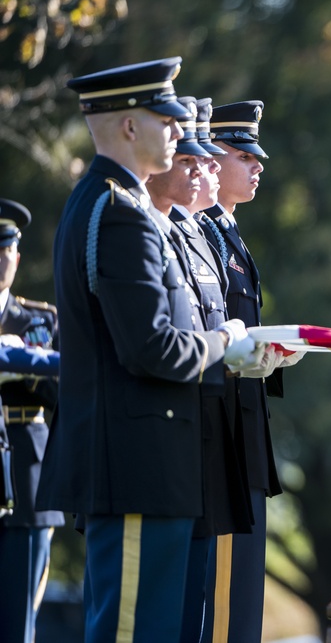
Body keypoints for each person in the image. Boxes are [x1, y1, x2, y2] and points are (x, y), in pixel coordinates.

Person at [35, 58, 262, 643]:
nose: (178, 133)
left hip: (145, 463)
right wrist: (226, 343)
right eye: (166, 121)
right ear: (130, 128)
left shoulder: (118, 205)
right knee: (133, 632)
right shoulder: (119, 213)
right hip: (133, 462)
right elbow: (154, 348)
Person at [146, 96, 262, 641]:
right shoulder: (170, 228)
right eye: (206, 159)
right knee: (182, 615)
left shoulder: (204, 231)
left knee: (216, 614)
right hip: (184, 435)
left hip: (223, 427)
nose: (208, 171)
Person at [200, 99, 289, 643]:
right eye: (242, 155)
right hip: (223, 434)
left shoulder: (227, 232)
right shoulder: (204, 232)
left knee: (242, 609)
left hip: (245, 428)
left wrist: (273, 355)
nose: (257, 166)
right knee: (225, 610)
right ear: (211, 160)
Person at [0, 198, 63, 643]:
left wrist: (27, 366)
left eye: (4, 253)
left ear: (16, 258)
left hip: (25, 483)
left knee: (17, 625)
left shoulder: (39, 321)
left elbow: (72, 394)